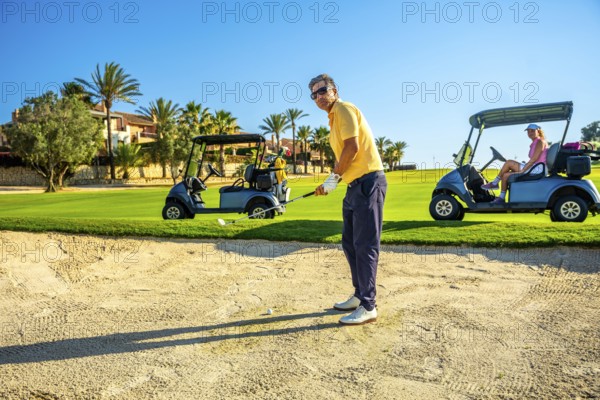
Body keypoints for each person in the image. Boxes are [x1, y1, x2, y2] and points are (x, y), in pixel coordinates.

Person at [309, 73, 387, 325]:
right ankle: (359, 294)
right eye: (314, 94)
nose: (318, 97)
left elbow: (352, 148)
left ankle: (368, 305)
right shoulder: (333, 119)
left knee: (365, 245)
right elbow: (344, 154)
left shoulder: (342, 108)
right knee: (350, 243)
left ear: (334, 89)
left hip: (368, 182)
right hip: (354, 185)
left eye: (322, 91)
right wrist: (334, 181)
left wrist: (332, 179)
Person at [482, 123, 548, 203]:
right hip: (535, 167)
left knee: (509, 162)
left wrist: (523, 170)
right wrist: (524, 165)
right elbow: (533, 159)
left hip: (538, 169)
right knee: (505, 175)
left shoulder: (540, 141)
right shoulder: (533, 143)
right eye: (528, 131)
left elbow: (534, 158)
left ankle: (495, 183)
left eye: (532, 131)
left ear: (538, 131)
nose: (530, 133)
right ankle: (501, 198)